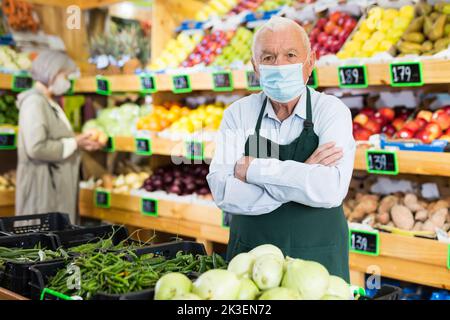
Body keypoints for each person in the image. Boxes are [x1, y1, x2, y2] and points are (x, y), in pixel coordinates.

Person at [207, 17, 355, 281]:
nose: (280, 65)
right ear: (255, 67)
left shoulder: (331, 111)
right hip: (251, 262)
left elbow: (330, 189)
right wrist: (303, 174)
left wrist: (252, 170)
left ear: (310, 61)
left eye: (290, 55)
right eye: (268, 57)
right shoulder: (237, 114)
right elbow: (224, 192)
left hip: (319, 261)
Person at [15, 50, 103, 223]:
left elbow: (56, 136)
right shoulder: (34, 103)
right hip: (43, 190)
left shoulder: (48, 102)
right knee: (43, 245)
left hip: (54, 188)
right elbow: (36, 147)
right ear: (52, 72)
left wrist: (81, 142)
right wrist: (74, 142)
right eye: (66, 76)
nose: (68, 82)